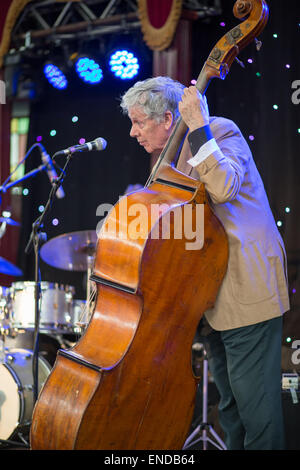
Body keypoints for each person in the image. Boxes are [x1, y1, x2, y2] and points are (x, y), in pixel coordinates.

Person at [120, 76, 290, 450]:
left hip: (245, 288)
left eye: (138, 122)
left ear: (168, 118)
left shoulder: (217, 130)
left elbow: (224, 187)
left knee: (256, 409)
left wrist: (197, 126)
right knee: (229, 408)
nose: (133, 133)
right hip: (207, 298)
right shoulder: (168, 163)